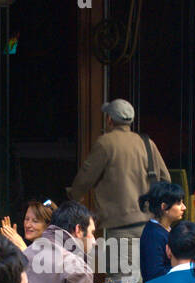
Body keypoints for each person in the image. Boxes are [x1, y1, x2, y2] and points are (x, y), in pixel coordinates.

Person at [68, 99, 170, 252]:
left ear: (109, 119)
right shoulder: (147, 143)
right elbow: (165, 179)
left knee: (122, 275)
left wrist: (74, 197)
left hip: (120, 227)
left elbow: (85, 179)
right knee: (148, 274)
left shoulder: (106, 143)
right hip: (150, 225)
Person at [137, 180, 187, 283]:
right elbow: (155, 273)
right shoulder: (153, 235)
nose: (184, 207)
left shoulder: (165, 230)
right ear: (164, 207)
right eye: (178, 203)